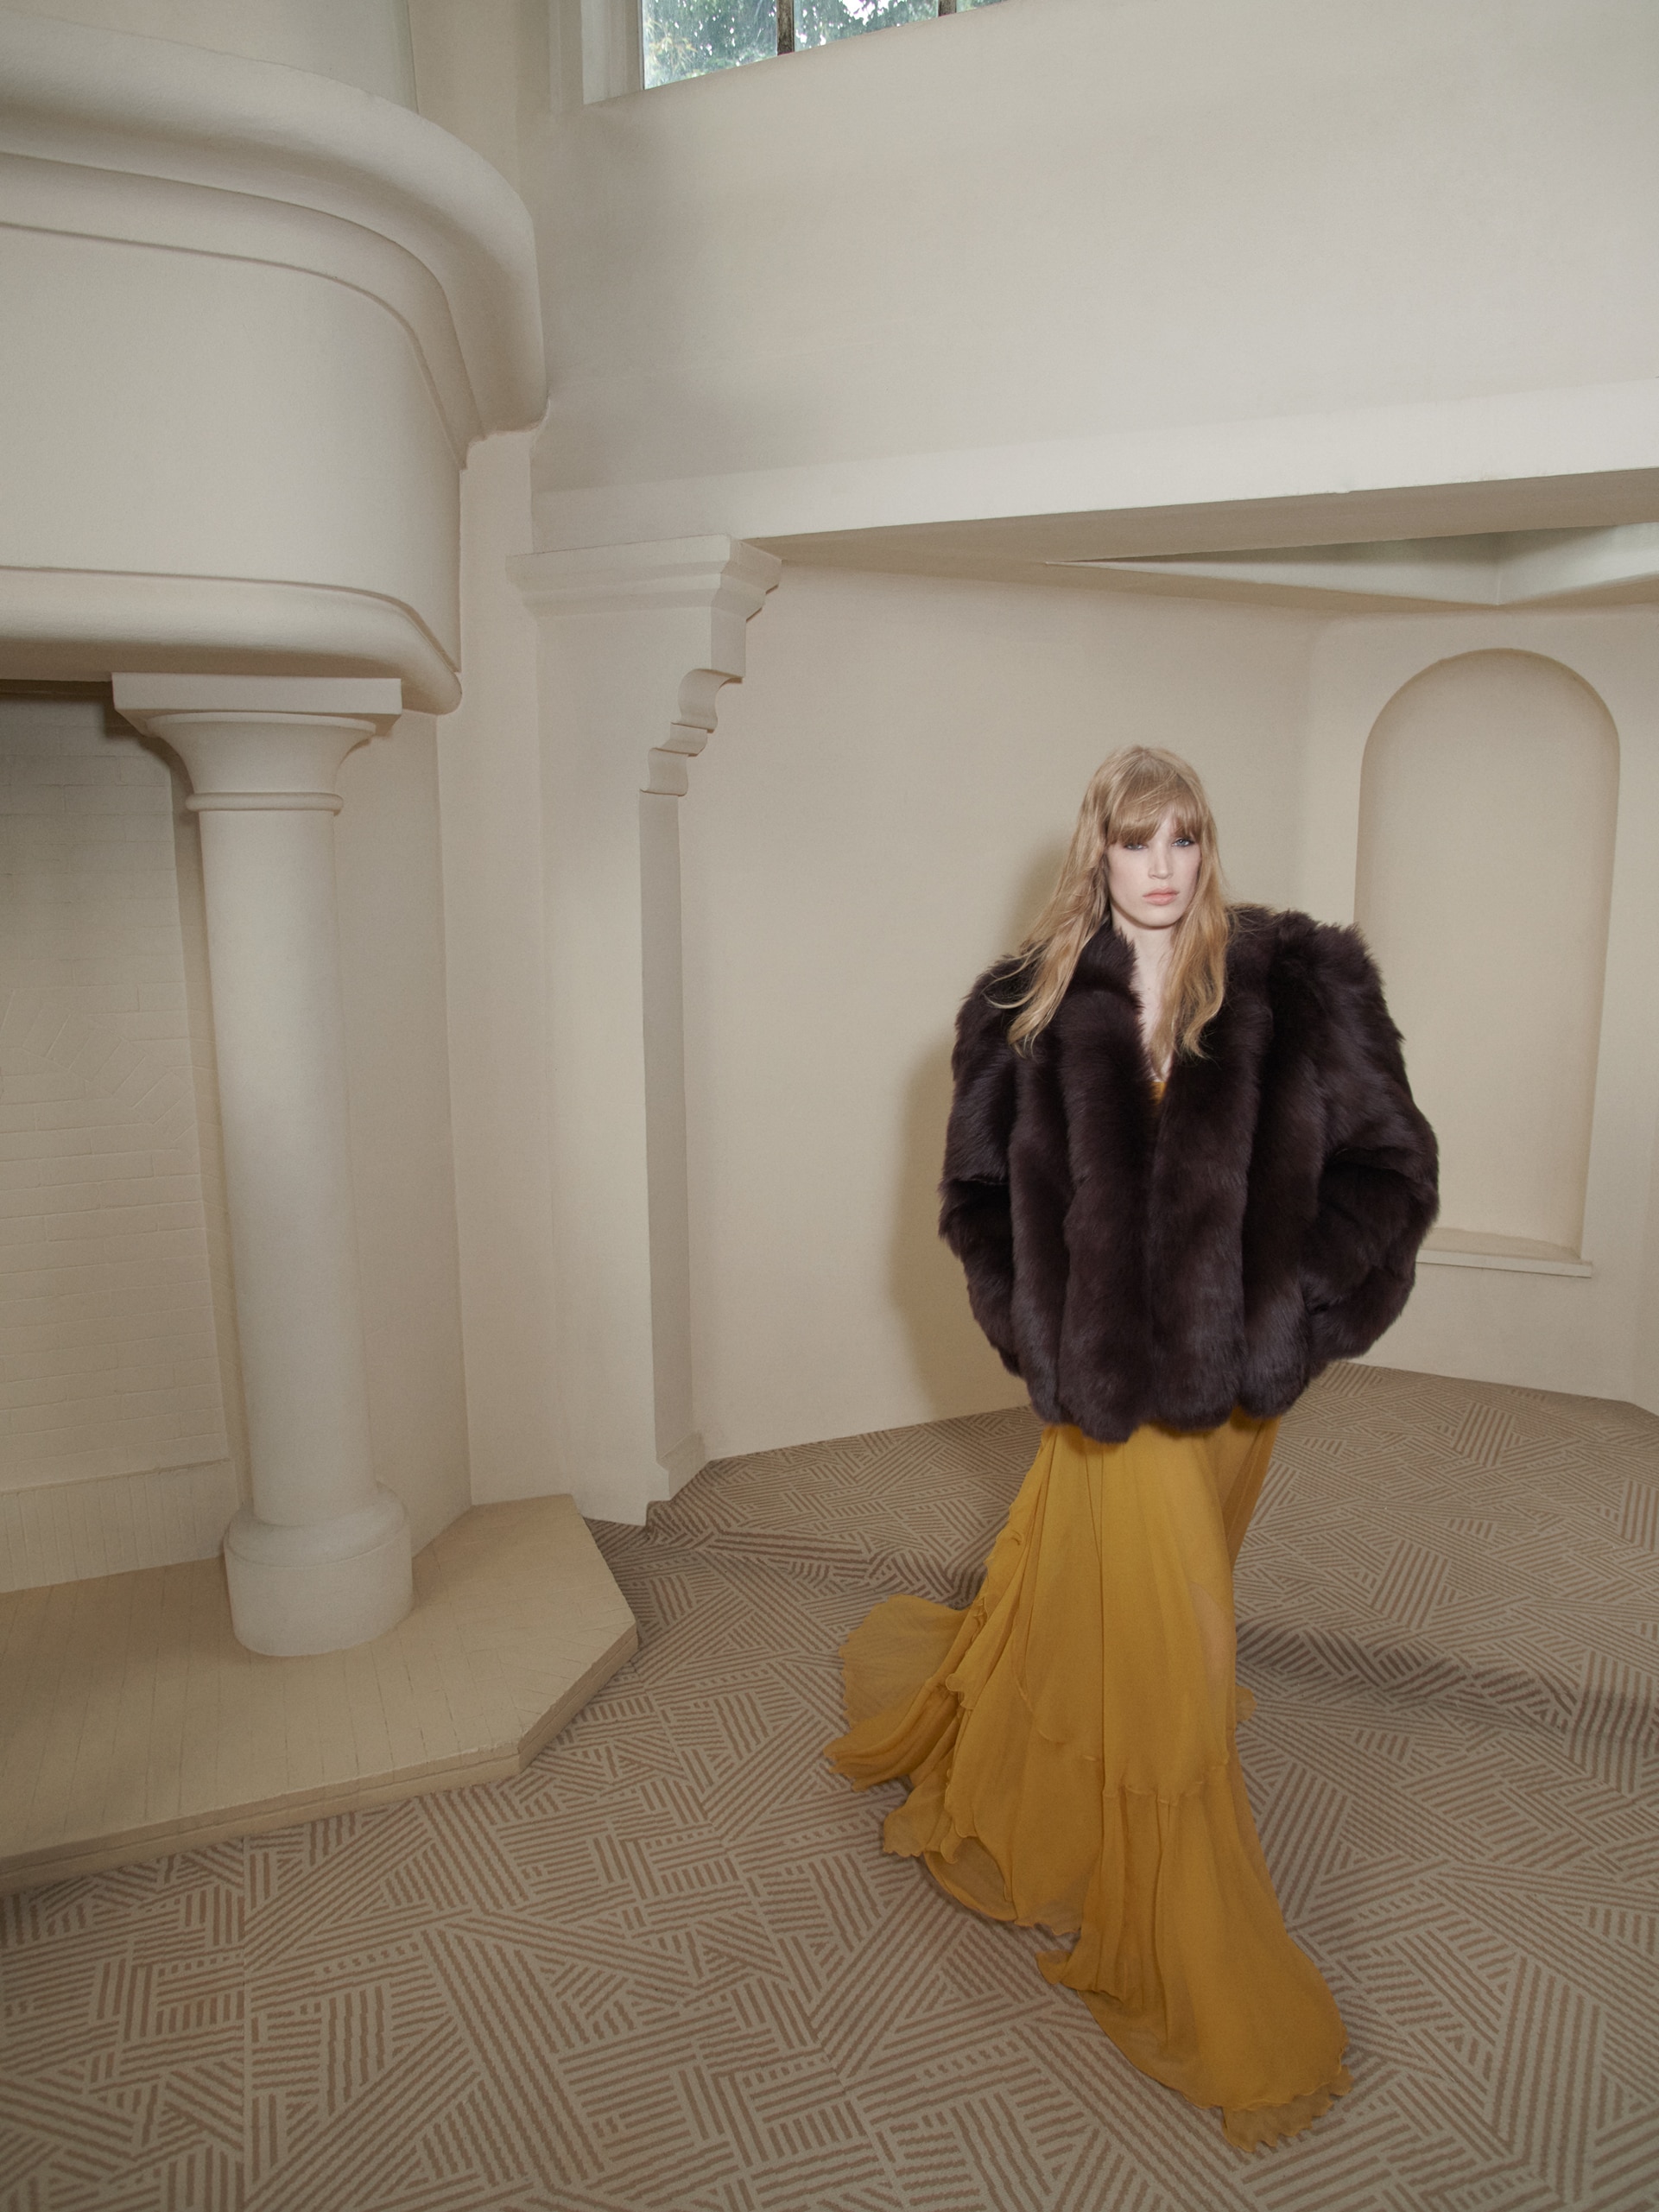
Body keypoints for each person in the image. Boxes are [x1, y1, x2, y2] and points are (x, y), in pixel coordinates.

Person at [826, 745, 1438, 2151]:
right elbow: (977, 1199)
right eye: (1134, 840)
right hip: (1112, 1405)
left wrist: (1286, 1310)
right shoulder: (1021, 1007)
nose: (1161, 868)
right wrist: (1046, 1334)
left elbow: (1390, 1169)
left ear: (1206, 846)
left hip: (1235, 1402)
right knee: (1180, 1661)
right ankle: (1196, 1952)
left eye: (1184, 838)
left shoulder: (1301, 981)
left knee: (1139, 1613)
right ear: (1093, 850)